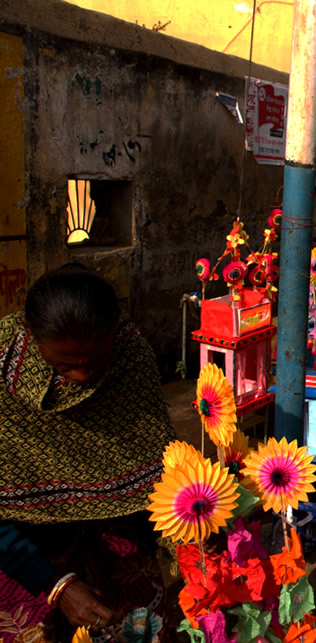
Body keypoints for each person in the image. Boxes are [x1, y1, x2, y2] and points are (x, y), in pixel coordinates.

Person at [0, 265, 177, 639]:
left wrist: (187, 529)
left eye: (95, 362)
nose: (83, 376)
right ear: (31, 338)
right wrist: (56, 584)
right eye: (66, 365)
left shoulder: (131, 362)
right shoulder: (3, 377)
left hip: (120, 543)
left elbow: (156, 473)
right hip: (22, 555)